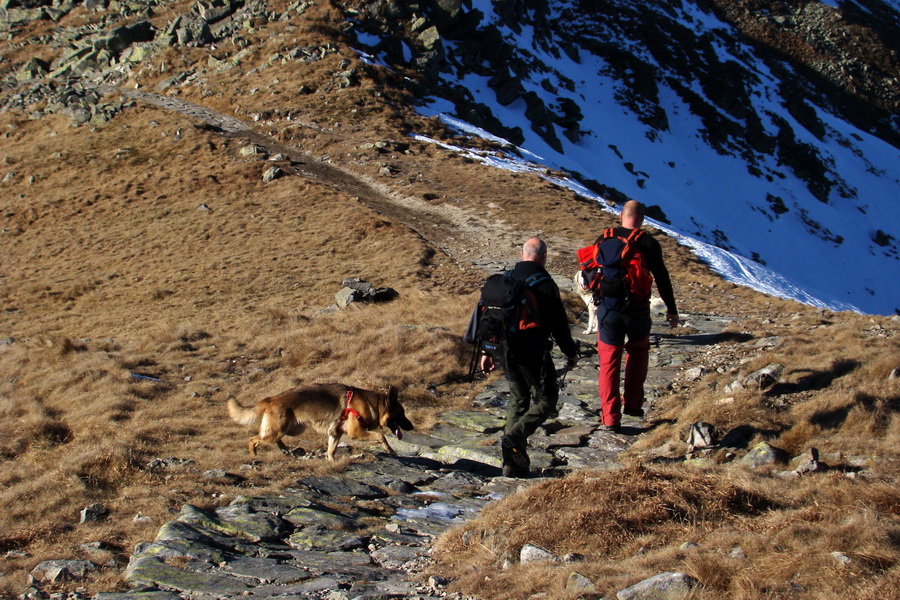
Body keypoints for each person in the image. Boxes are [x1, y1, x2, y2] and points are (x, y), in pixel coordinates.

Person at [476, 237, 579, 477]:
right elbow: (559, 325)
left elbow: (488, 318)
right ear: (543, 257)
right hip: (532, 351)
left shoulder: (506, 280)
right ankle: (516, 436)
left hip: (503, 350)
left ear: (523, 254)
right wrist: (571, 352)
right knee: (547, 399)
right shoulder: (544, 283)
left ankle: (510, 463)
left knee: (518, 399)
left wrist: (486, 352)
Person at [595, 200, 678, 432]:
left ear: (621, 215)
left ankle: (610, 418)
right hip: (638, 311)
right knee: (638, 353)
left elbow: (591, 269)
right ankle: (632, 404)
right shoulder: (648, 242)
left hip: (608, 310)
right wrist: (671, 310)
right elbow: (662, 277)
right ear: (642, 219)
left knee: (609, 362)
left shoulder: (604, 238)